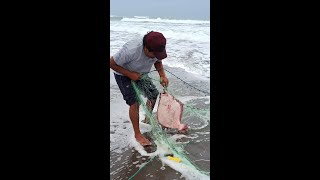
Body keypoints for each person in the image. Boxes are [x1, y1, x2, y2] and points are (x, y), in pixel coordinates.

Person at [110, 31, 169, 146]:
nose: (157, 56)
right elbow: (111, 63)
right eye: (154, 54)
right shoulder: (130, 51)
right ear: (146, 49)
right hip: (122, 74)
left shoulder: (157, 47)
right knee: (134, 102)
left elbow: (158, 60)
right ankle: (137, 134)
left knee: (153, 95)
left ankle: (147, 120)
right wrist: (130, 74)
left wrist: (162, 75)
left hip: (141, 74)